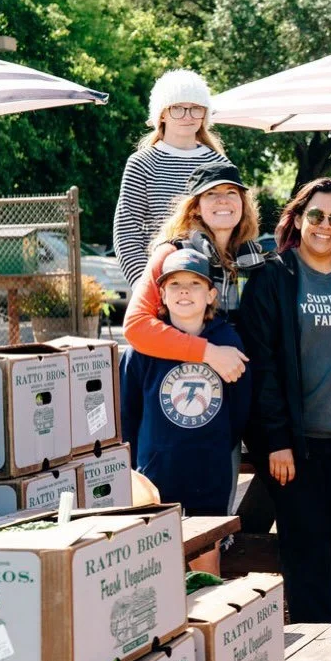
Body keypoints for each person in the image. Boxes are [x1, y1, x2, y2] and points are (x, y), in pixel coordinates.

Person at [238, 178, 331, 624]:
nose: (325, 225)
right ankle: (323, 640)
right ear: (297, 219)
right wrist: (276, 441)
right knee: (304, 543)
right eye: (316, 215)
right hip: (294, 442)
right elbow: (263, 367)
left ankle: (330, 639)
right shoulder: (273, 277)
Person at [122, 161, 264, 512]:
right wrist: (208, 353)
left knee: (220, 511)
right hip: (177, 402)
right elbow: (136, 326)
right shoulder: (173, 255)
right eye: (211, 194)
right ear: (195, 206)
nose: (223, 201)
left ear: (243, 203)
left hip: (233, 398)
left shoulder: (251, 258)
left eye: (231, 193)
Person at [120, 248, 252, 574]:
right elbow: (128, 412)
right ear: (162, 295)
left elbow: (239, 410)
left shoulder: (228, 343)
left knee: (205, 569)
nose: (184, 291)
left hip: (209, 474)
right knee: (158, 569)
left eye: (194, 284)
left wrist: (215, 445)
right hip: (156, 475)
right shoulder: (143, 349)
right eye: (175, 284)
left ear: (211, 294)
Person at [114, 69, 226, 288]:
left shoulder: (219, 163)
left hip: (213, 286)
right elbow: (127, 233)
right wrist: (146, 287)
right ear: (162, 114)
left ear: (205, 114)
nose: (188, 116)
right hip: (160, 282)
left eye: (196, 108)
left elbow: (233, 228)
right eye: (178, 108)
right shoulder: (142, 163)